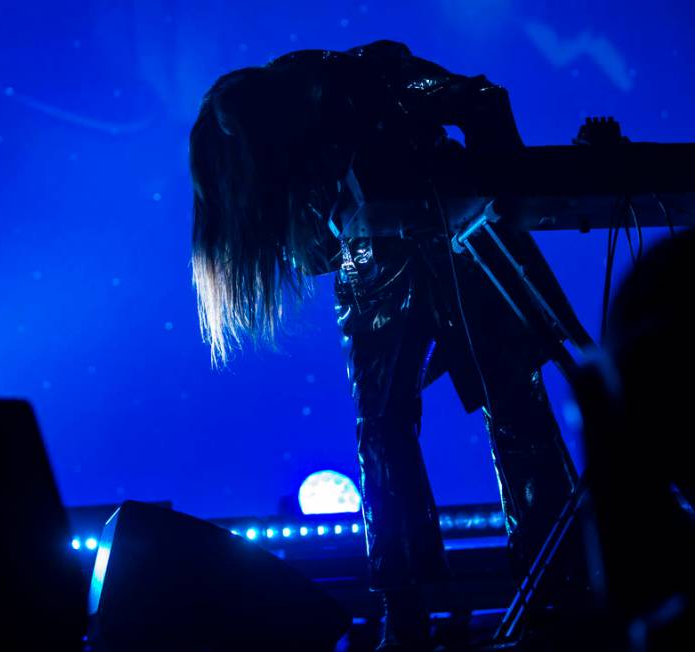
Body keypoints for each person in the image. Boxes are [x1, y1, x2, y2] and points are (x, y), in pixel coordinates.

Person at [189, 40, 589, 648]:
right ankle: (476, 604)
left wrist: (497, 196)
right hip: (393, 265)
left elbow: (478, 98)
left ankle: (544, 596)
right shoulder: (332, 101)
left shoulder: (369, 77)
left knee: (477, 419)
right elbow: (477, 100)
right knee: (413, 427)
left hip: (452, 252)